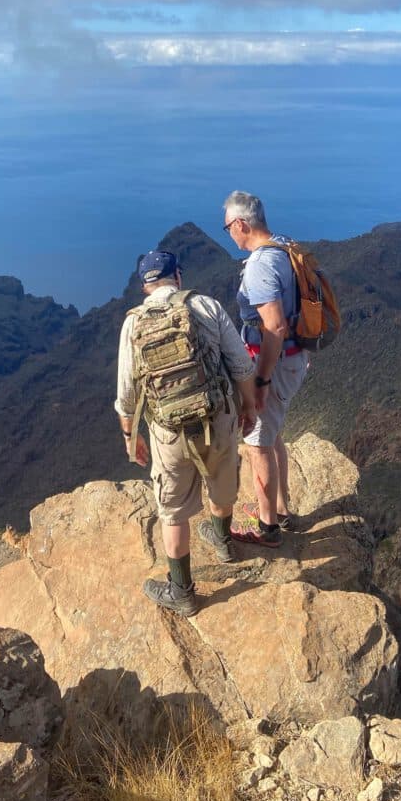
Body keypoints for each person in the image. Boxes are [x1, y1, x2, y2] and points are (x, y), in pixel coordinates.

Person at [115, 249, 257, 616]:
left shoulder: (133, 323)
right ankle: (224, 542)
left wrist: (131, 435)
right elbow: (241, 364)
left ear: (145, 285)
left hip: (168, 432)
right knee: (223, 483)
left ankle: (182, 592)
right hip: (218, 418)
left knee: (173, 511)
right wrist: (250, 409)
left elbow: (127, 393)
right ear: (177, 276)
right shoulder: (207, 306)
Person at [222, 191, 310, 547]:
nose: (228, 233)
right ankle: (281, 509)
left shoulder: (260, 264)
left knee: (257, 442)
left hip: (272, 361)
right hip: (294, 358)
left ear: (241, 224)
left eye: (228, 227)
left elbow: (274, 326)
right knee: (273, 435)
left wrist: (260, 378)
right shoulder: (285, 246)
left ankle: (267, 527)